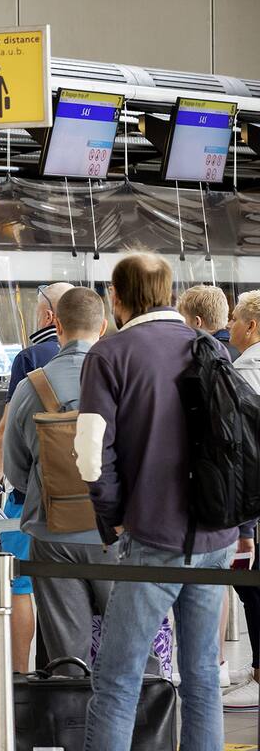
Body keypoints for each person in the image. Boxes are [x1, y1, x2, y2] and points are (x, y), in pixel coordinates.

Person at [77, 253, 240, 750]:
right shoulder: (211, 348)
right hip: (214, 535)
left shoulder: (110, 355)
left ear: (117, 298)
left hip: (151, 536)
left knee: (118, 679)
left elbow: (89, 452)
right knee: (202, 676)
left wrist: (114, 517)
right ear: (170, 292)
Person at [1, 287, 109, 676]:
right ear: (103, 326)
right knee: (128, 642)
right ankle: (135, 728)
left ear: (57, 325)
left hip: (53, 534)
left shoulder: (33, 386)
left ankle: (72, 728)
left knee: (67, 652)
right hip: (113, 534)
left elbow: (15, 470)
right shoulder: (125, 379)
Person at [0, 281, 72, 672]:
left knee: (21, 584)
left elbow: (5, 429)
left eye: (36, 310)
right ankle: (63, 669)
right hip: (81, 499)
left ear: (50, 316)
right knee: (66, 587)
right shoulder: (104, 359)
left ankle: (18, 676)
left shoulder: (31, 356)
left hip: (30, 495)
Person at [177, 283, 247, 689]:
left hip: (205, 504)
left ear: (197, 322)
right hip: (233, 506)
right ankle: (216, 662)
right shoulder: (235, 360)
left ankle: (208, 663)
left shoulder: (205, 366)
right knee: (218, 587)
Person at [222, 289, 260, 709]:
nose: (228, 326)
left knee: (253, 588)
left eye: (234, 319)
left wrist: (243, 525)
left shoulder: (246, 373)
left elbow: (242, 451)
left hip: (253, 503)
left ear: (250, 326)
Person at [178, 284, 239, 361]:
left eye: (184, 321)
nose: (182, 326)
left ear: (198, 322)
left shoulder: (200, 357)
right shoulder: (241, 349)